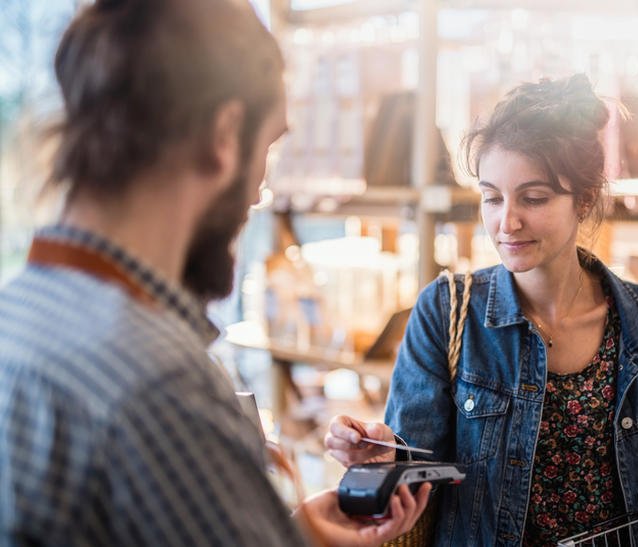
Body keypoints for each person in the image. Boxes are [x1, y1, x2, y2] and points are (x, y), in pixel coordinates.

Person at [0, 0, 431, 545]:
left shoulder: (18, 315)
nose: (258, 191)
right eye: (268, 147)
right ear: (225, 136)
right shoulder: (162, 386)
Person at [326, 74, 638, 546]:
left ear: (583, 200)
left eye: (534, 198)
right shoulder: (446, 311)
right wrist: (382, 452)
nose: (507, 221)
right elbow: (421, 462)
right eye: (492, 198)